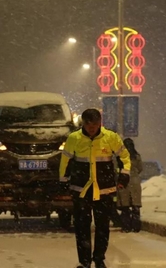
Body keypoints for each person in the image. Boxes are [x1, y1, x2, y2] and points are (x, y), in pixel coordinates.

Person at [59, 108, 131, 268]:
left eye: (95, 124)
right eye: (89, 124)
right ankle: (84, 262)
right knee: (82, 228)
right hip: (81, 190)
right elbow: (65, 161)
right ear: (83, 123)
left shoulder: (111, 138)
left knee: (102, 228)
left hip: (104, 191)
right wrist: (63, 181)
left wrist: (124, 175)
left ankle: (99, 259)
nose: (92, 128)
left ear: (100, 123)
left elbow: (125, 157)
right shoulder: (74, 139)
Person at [116, 138, 143, 233]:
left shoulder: (120, 157)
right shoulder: (136, 156)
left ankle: (126, 226)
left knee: (125, 206)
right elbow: (140, 168)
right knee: (135, 206)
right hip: (135, 182)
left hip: (123, 182)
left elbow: (115, 168)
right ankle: (136, 226)